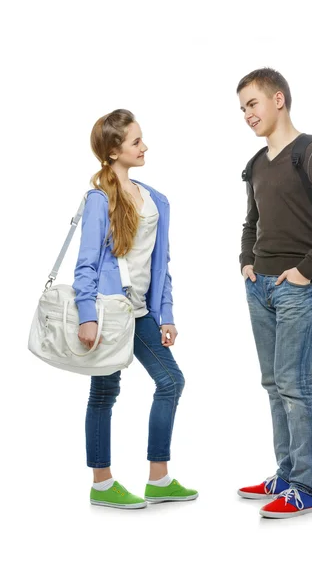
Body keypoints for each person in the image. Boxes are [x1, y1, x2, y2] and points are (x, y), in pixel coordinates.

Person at [236, 68, 312, 518]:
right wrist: (246, 263)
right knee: (274, 384)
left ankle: (307, 485)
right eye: (242, 108)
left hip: (300, 287)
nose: (247, 114)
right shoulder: (256, 163)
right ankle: (286, 475)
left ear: (279, 99)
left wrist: (306, 270)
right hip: (261, 286)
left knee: (295, 383)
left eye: (253, 103)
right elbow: (252, 221)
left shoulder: (311, 152)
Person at [73, 109, 198, 509]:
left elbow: (161, 266)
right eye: (136, 142)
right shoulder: (99, 199)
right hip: (109, 314)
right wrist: (87, 316)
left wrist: (168, 315)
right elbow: (86, 265)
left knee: (171, 382)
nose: (144, 147)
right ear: (113, 151)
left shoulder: (155, 200)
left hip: (143, 313)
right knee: (105, 392)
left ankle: (158, 479)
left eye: (142, 140)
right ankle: (102, 484)